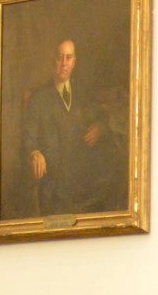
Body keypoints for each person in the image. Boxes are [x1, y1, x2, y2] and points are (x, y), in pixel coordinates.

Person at [21, 40, 119, 216]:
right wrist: (34, 152)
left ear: (74, 62)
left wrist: (101, 127)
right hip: (55, 178)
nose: (64, 63)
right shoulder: (39, 98)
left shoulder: (82, 91)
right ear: (53, 61)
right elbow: (29, 135)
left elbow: (101, 114)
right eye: (60, 58)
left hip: (83, 174)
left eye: (68, 58)